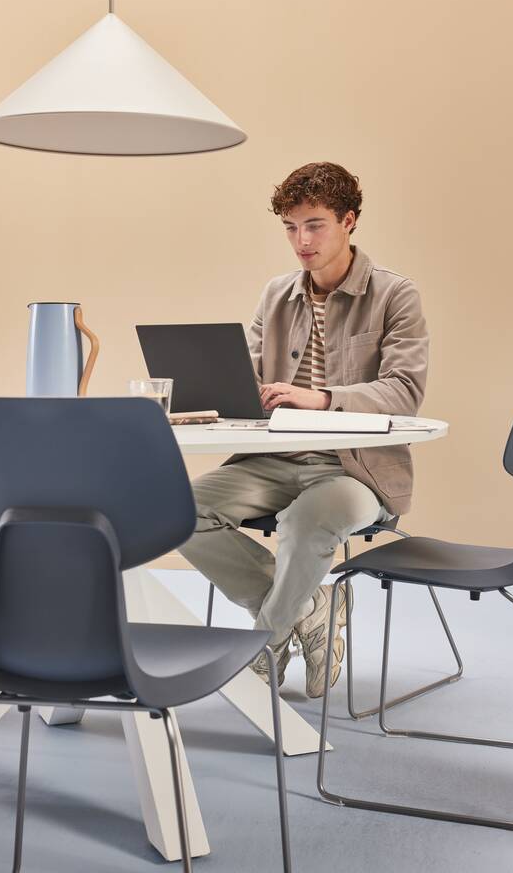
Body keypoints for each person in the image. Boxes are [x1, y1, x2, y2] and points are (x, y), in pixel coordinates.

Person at [180, 162, 429, 697]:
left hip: (353, 470)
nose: (301, 240)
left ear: (349, 220)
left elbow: (405, 391)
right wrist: (206, 399)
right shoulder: (276, 295)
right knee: (175, 508)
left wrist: (322, 400)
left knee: (308, 521)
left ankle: (265, 642)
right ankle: (313, 606)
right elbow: (244, 381)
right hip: (271, 461)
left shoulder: (395, 295)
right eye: (291, 228)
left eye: (314, 224)